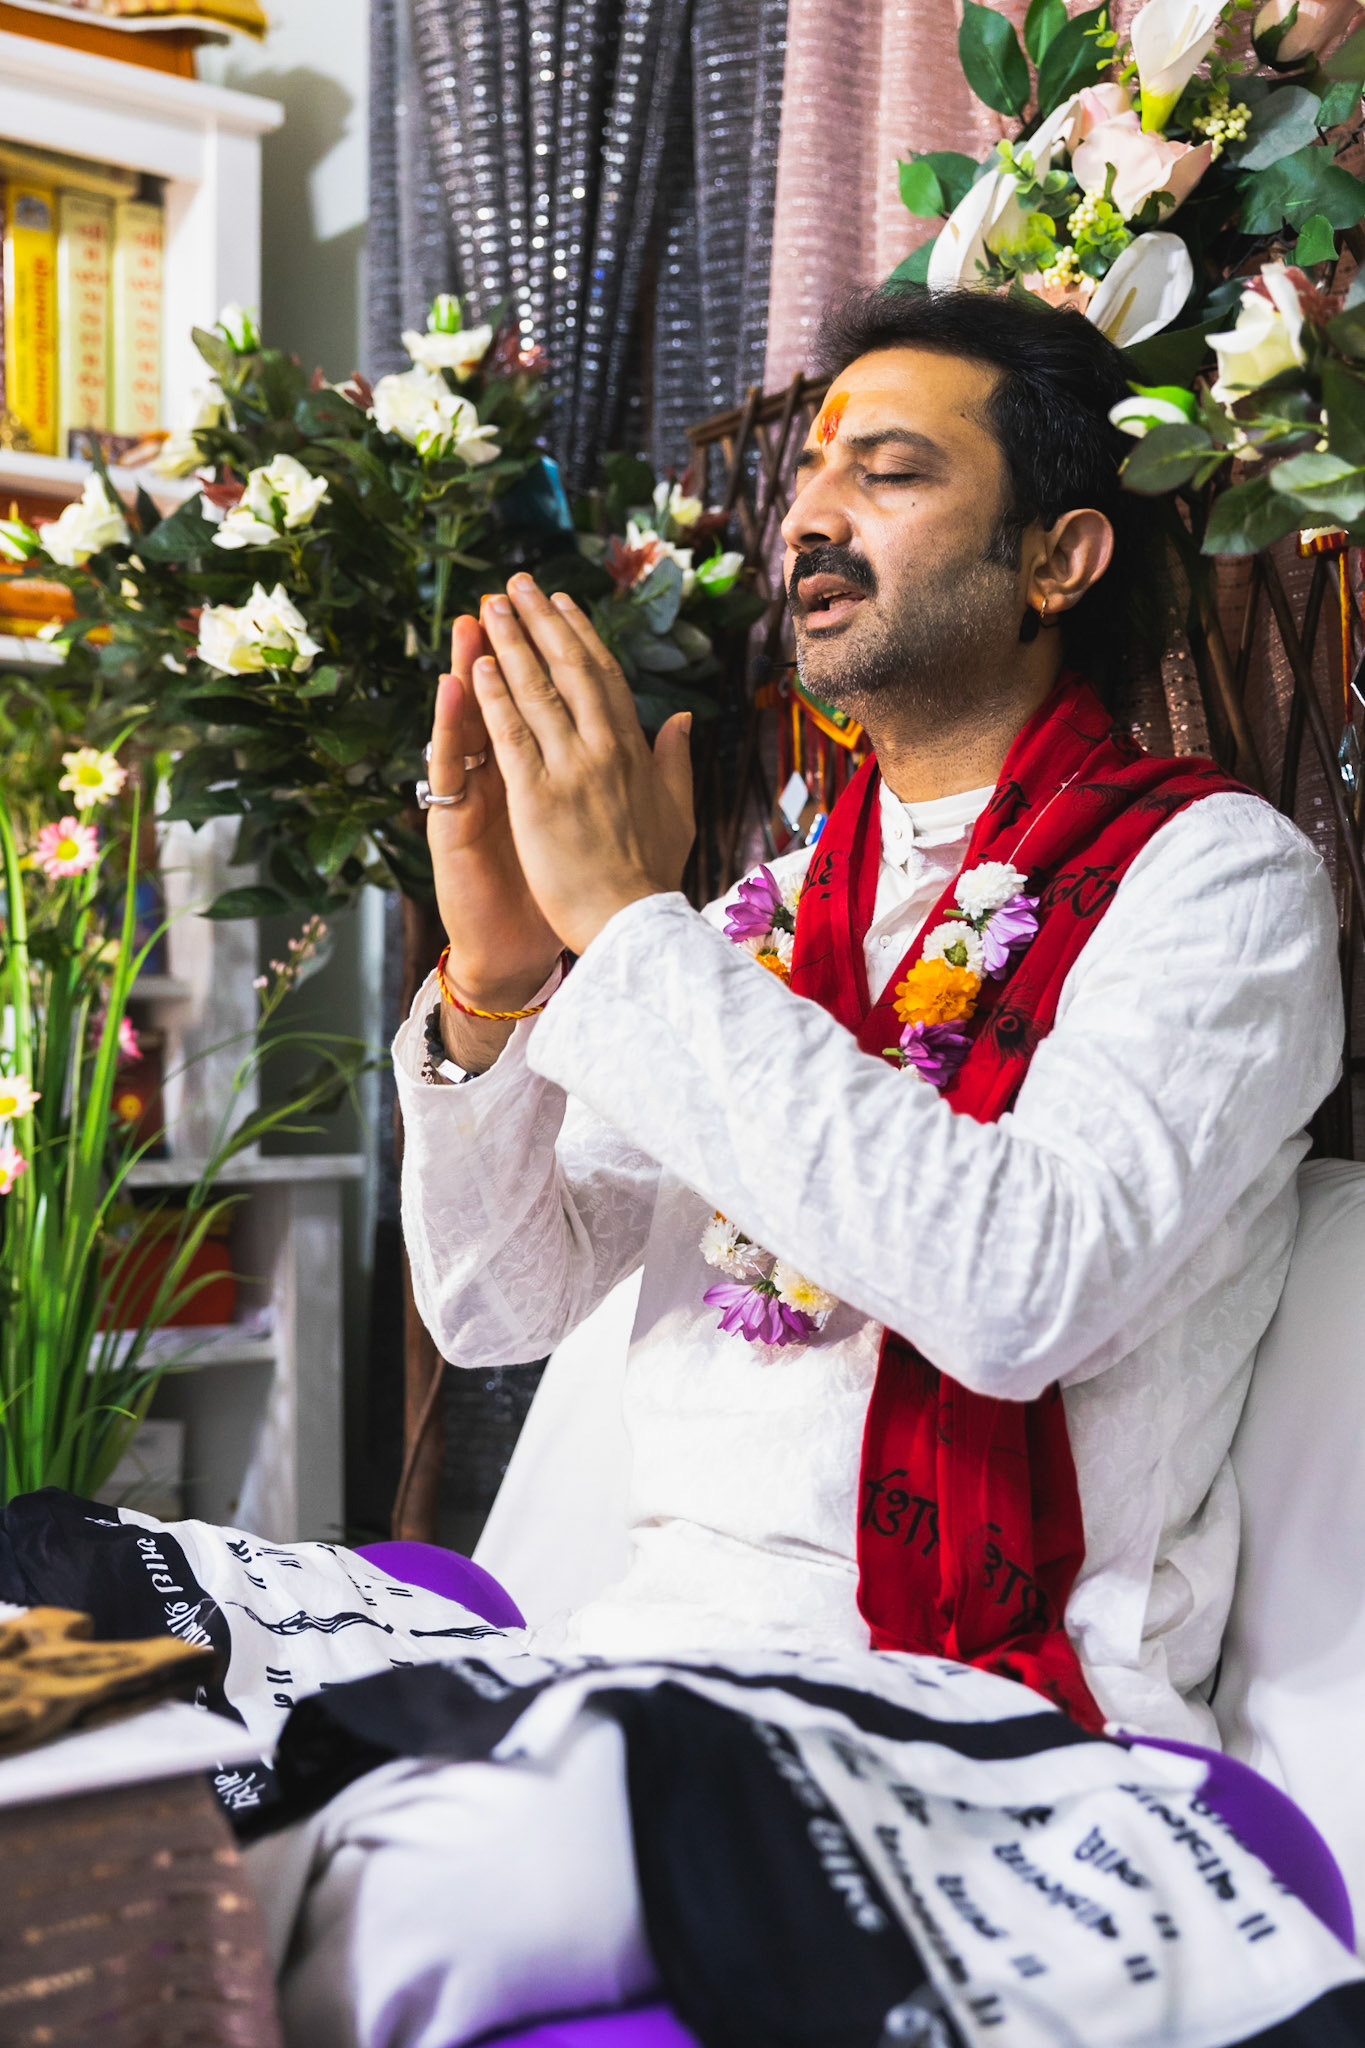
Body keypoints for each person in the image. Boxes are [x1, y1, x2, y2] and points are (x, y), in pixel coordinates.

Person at [255, 284, 1344, 2043]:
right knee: (112, 1658)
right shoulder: (765, 913)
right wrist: (499, 978)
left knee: (350, 1877)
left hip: (966, 1718)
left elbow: (1017, 1294)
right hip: (637, 1666)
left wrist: (625, 931)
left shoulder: (1214, 883)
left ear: (1058, 557)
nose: (812, 516)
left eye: (890, 473)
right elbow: (499, 1304)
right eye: (813, 471)